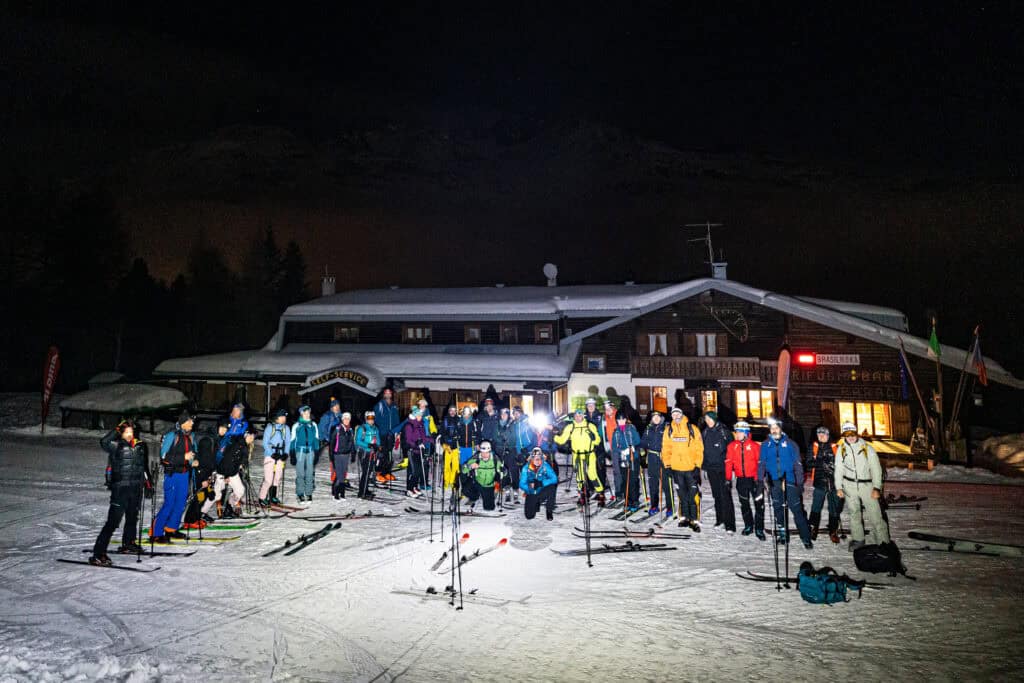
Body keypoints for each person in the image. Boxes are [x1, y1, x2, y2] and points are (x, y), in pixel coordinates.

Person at [89, 421, 150, 565]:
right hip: (120, 489)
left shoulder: (141, 445)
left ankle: (128, 544)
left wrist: (148, 483)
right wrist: (116, 429)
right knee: (112, 522)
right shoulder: (115, 445)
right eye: (126, 432)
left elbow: (143, 466)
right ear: (121, 433)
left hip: (135, 488)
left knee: (132, 517)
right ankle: (98, 553)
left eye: (131, 432)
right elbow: (104, 441)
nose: (129, 435)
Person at [834, 421, 890, 550]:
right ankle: (858, 539)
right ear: (844, 436)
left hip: (867, 486)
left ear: (857, 433)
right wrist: (839, 487)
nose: (851, 437)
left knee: (875, 514)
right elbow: (839, 469)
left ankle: (883, 542)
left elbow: (876, 469)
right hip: (849, 486)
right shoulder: (841, 449)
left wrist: (876, 487)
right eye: (847, 435)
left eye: (853, 434)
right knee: (854, 513)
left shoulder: (867, 448)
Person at [759, 418, 813, 549]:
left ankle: (805, 537)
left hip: (789, 480)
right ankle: (783, 534)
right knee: (778, 508)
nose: (774, 430)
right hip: (774, 481)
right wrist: (760, 480)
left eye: (776, 428)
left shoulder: (790, 444)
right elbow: (762, 463)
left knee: (796, 509)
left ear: (781, 429)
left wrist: (799, 483)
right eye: (772, 428)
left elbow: (798, 464)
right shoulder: (766, 445)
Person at [151, 411, 196, 543]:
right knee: (169, 503)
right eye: (189, 421)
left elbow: (193, 453)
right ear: (183, 423)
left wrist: (193, 460)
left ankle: (171, 528)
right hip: (172, 474)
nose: (192, 423)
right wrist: (184, 457)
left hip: (184, 473)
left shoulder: (191, 436)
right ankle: (156, 532)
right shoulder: (172, 435)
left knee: (181, 503)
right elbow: (164, 456)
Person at [662, 407, 704, 531]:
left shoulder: (693, 429)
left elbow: (699, 449)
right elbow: (666, 449)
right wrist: (668, 465)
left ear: (682, 414)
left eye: (677, 414)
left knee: (693, 494)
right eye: (673, 414)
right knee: (681, 494)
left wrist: (697, 465)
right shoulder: (668, 430)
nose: (676, 416)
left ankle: (694, 519)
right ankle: (684, 517)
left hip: (690, 468)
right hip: (676, 469)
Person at [554, 408, 605, 507]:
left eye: (580, 416)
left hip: (589, 454)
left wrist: (594, 440)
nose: (578, 418)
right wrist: (554, 436)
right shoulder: (570, 427)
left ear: (583, 416)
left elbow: (598, 439)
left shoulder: (590, 426)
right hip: (577, 455)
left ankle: (601, 494)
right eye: (576, 416)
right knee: (580, 477)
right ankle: (582, 495)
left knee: (592, 475)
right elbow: (562, 440)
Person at [725, 421, 764, 540]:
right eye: (736, 432)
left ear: (746, 433)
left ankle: (759, 528)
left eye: (739, 432)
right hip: (741, 479)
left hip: (754, 479)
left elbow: (760, 464)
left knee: (759, 505)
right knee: (744, 504)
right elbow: (728, 463)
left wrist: (759, 479)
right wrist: (727, 479)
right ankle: (748, 526)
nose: (736, 434)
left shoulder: (755, 446)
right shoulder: (732, 446)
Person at [806, 426, 843, 543]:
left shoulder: (835, 447)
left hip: (834, 482)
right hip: (819, 481)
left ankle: (833, 530)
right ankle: (813, 528)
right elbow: (808, 463)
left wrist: (832, 465)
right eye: (819, 434)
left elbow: (842, 464)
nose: (821, 436)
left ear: (828, 435)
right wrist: (820, 460)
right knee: (816, 506)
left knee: (834, 507)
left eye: (824, 434)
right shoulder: (813, 447)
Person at [702, 411, 734, 532]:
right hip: (711, 469)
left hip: (723, 468)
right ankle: (719, 519)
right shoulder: (705, 432)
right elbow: (703, 451)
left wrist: (731, 468)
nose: (708, 421)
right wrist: (704, 467)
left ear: (715, 419)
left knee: (725, 495)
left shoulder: (724, 432)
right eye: (706, 419)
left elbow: (731, 450)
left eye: (710, 419)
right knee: (716, 496)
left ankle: (729, 524)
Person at [183, 420, 218, 528]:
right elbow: (201, 465)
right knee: (198, 499)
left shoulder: (212, 445)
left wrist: (210, 482)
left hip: (206, 477)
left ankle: (196, 518)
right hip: (200, 478)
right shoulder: (205, 445)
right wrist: (203, 479)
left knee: (202, 499)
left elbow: (210, 466)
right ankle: (189, 520)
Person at [215, 424, 253, 518]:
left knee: (240, 490)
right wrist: (226, 475)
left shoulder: (244, 444)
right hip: (222, 471)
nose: (252, 438)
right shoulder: (236, 443)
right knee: (218, 491)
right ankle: (209, 510)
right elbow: (228, 458)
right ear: (245, 435)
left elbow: (242, 458)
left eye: (253, 436)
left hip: (232, 471)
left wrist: (243, 465)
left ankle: (229, 506)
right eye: (250, 436)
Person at [641, 411, 670, 517]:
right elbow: (643, 441)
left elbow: (671, 443)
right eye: (654, 417)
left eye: (658, 417)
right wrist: (641, 449)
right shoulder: (649, 428)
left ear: (661, 418)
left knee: (666, 484)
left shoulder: (666, 427)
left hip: (663, 457)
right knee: (653, 483)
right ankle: (654, 505)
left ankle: (669, 507)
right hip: (652, 458)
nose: (656, 419)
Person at [610, 411, 642, 511]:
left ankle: (634, 501)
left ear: (626, 419)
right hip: (623, 458)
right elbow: (614, 446)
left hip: (633, 458)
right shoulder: (616, 432)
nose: (621, 421)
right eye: (619, 419)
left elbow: (638, 441)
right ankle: (627, 500)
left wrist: (632, 448)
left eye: (623, 419)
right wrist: (622, 451)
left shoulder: (631, 429)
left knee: (633, 479)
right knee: (624, 480)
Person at [260, 409, 290, 506]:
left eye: (284, 416)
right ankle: (262, 497)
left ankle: (273, 496)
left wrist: (286, 453)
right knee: (269, 479)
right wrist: (271, 453)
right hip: (270, 456)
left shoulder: (286, 428)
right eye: (282, 416)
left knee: (277, 478)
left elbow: (288, 442)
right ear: (277, 418)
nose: (284, 418)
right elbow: (265, 442)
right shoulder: (269, 428)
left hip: (280, 455)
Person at [462, 440, 503, 511]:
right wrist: (470, 466)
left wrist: (503, 471)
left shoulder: (495, 459)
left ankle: (490, 495)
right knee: (465, 490)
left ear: (489, 451)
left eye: (486, 453)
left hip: (489, 485)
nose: (484, 455)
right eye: (482, 452)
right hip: (478, 483)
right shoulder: (476, 458)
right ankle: (474, 497)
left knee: (489, 508)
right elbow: (463, 469)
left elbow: (503, 470)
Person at [290, 405, 320, 502]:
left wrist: (317, 451)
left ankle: (308, 493)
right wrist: (292, 454)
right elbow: (293, 441)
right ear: (301, 413)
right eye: (305, 412)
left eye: (308, 412)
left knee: (310, 473)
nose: (307, 414)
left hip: (310, 451)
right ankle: (300, 493)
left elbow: (316, 439)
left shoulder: (313, 425)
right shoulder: (296, 426)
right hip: (300, 452)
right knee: (300, 473)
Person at [519, 447, 558, 520]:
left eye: (539, 458)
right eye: (535, 458)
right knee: (529, 516)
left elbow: (554, 479)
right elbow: (521, 483)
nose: (537, 460)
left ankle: (549, 510)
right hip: (531, 492)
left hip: (542, 490)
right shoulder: (526, 468)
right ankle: (536, 503)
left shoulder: (545, 466)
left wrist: (541, 483)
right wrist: (529, 487)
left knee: (552, 488)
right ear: (532, 458)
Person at [402, 408, 431, 497]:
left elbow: (423, 437)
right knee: (413, 471)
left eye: (421, 415)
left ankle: (414, 486)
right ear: (415, 415)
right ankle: (409, 489)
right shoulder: (409, 425)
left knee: (418, 471)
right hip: (412, 451)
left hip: (419, 451)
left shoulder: (420, 425)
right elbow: (408, 440)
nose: (420, 417)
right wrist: (416, 444)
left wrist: (432, 439)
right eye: (419, 415)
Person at [373, 388, 400, 483]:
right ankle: (378, 473)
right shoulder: (379, 405)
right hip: (381, 433)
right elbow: (374, 420)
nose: (388, 394)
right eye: (386, 393)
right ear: (383, 394)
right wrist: (375, 432)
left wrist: (397, 431)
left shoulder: (394, 406)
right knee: (381, 453)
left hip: (391, 433)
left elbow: (397, 419)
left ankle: (386, 472)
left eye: (389, 393)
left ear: (391, 394)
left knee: (389, 454)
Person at [492, 407, 519, 504]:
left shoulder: (512, 424)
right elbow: (494, 436)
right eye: (502, 414)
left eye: (505, 414)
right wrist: (501, 439)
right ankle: (506, 488)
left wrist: (508, 442)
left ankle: (515, 489)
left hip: (510, 450)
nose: (503, 415)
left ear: (508, 415)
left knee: (513, 469)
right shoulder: (497, 425)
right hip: (500, 450)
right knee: (503, 470)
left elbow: (514, 437)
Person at [583, 397, 610, 492]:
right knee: (589, 467)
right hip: (587, 446)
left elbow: (604, 430)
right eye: (589, 405)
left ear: (595, 406)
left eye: (592, 405)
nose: (591, 407)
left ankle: (601, 485)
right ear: (586, 406)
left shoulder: (600, 416)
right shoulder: (583, 416)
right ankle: (591, 487)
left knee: (600, 466)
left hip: (599, 446)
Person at [329, 412, 356, 499]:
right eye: (345, 418)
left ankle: (336, 490)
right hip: (337, 455)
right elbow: (332, 444)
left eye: (348, 419)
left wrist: (353, 454)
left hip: (346, 455)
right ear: (342, 419)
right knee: (339, 474)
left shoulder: (350, 431)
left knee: (342, 474)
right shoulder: (337, 429)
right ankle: (339, 493)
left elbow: (352, 443)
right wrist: (331, 456)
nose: (346, 420)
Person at [355, 410, 381, 500]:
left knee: (369, 472)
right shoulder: (362, 428)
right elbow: (357, 441)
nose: (371, 420)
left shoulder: (375, 428)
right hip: (364, 453)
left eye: (372, 418)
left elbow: (378, 439)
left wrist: (377, 446)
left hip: (373, 452)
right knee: (366, 472)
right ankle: (361, 492)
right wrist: (368, 445)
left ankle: (365, 489)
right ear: (366, 419)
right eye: (369, 418)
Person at [600, 400, 620, 502]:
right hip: (613, 449)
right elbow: (604, 434)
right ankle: (618, 493)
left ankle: (626, 491)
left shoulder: (618, 415)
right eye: (606, 408)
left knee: (623, 471)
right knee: (616, 472)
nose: (608, 410)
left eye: (609, 408)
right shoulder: (605, 418)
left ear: (613, 407)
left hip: (621, 447)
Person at [440, 404, 463, 491]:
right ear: (449, 411)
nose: (452, 412)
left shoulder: (459, 420)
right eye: (451, 411)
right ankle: (447, 481)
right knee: (446, 465)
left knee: (455, 466)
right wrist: (444, 443)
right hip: (447, 446)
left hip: (456, 446)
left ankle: (453, 481)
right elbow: (442, 433)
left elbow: (461, 431)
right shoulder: (445, 420)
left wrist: (458, 436)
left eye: (454, 411)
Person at [318, 397, 343, 470]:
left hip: (335, 440)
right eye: (335, 406)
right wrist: (324, 438)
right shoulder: (327, 415)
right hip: (326, 439)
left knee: (335, 458)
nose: (337, 408)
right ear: (331, 407)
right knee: (317, 456)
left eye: (338, 406)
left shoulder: (340, 416)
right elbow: (321, 428)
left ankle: (336, 475)